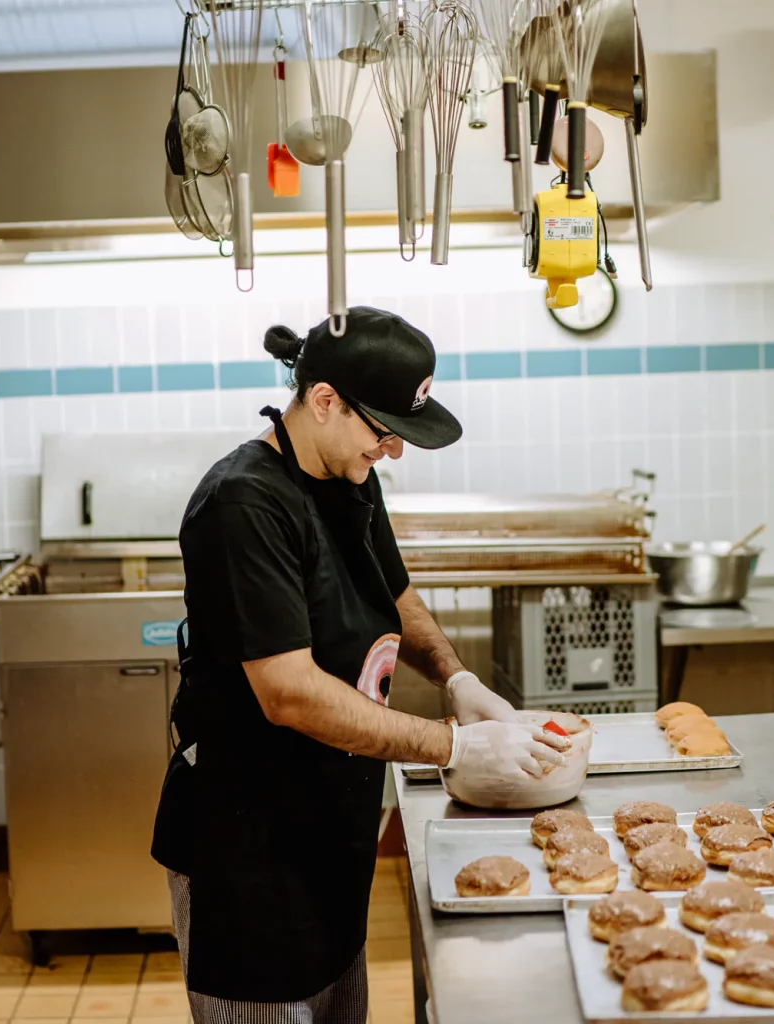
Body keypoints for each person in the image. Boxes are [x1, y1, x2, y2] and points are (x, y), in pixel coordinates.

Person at [151, 307, 568, 1021]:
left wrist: (454, 676)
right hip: (249, 845)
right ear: (323, 401)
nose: (393, 451)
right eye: (384, 432)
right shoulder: (244, 504)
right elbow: (289, 694)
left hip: (331, 826)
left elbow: (393, 592)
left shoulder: (348, 474)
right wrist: (452, 745)